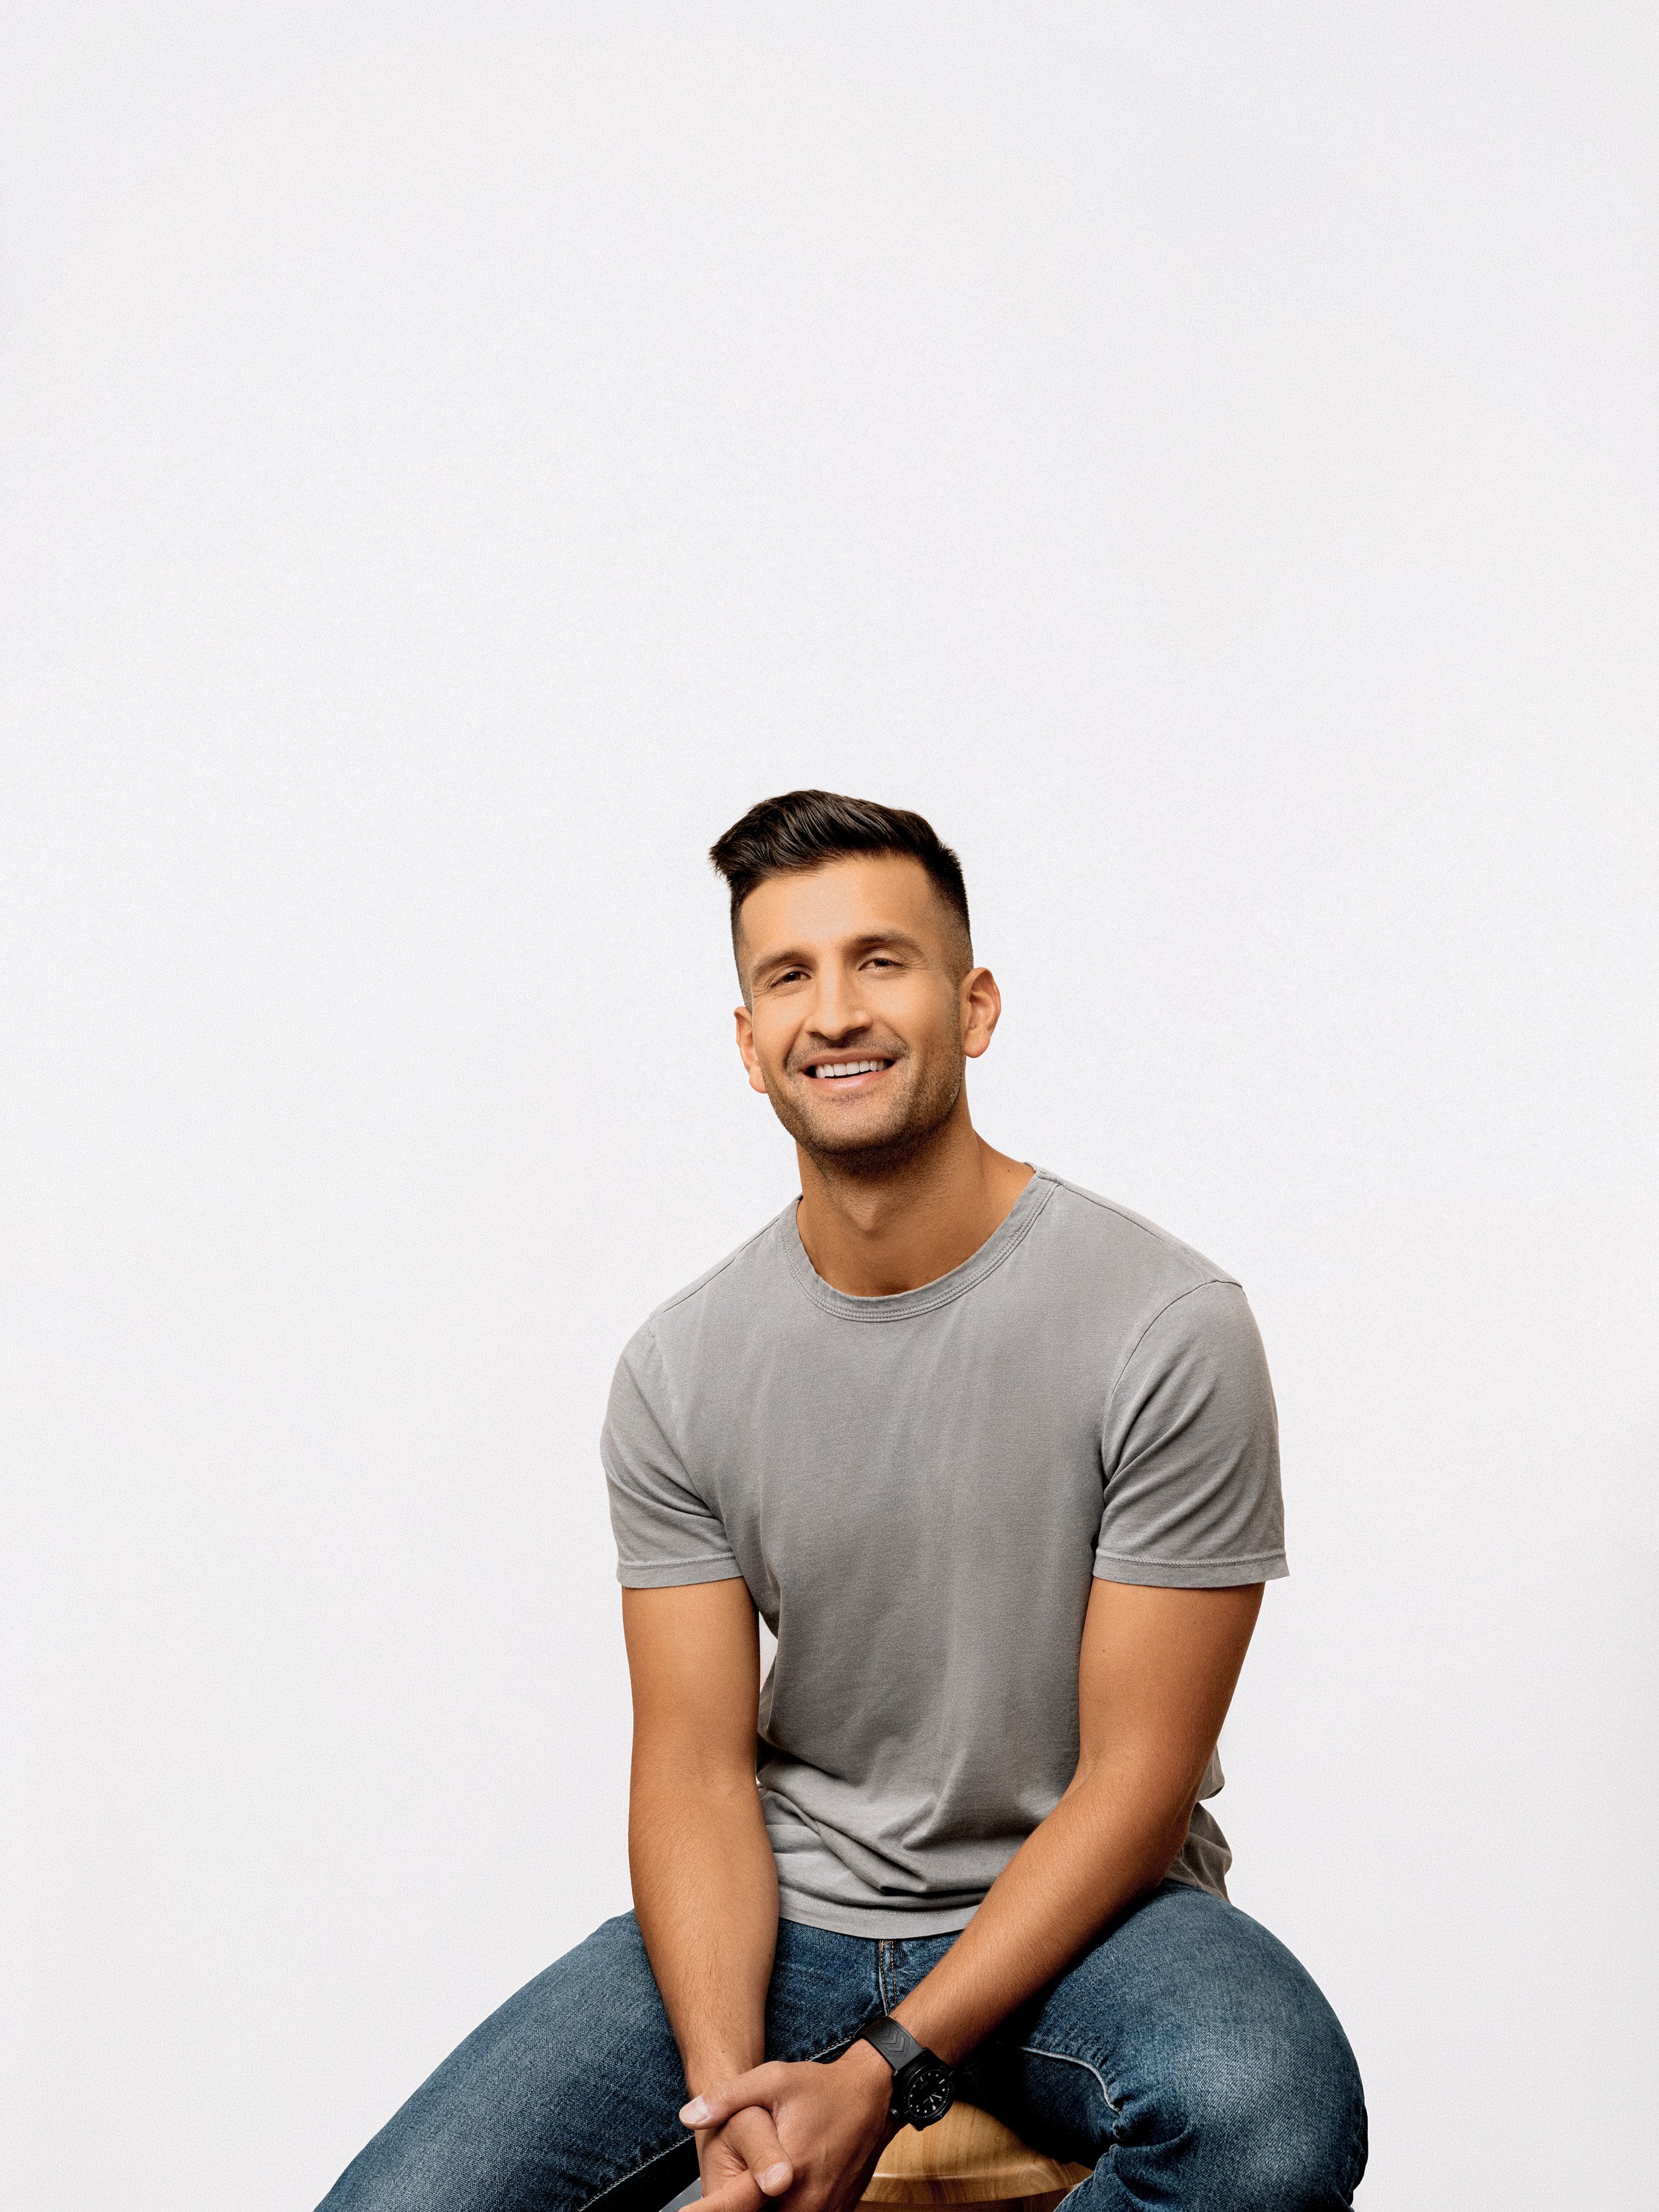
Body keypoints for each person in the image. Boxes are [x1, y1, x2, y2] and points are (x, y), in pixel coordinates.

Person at [319, 789, 1367, 2212]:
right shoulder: (683, 1367)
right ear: (747, 1046)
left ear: (972, 1003)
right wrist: (723, 2106)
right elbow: (691, 1766)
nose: (836, 1012)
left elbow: (1135, 1783)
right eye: (787, 976)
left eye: (881, 961)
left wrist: (881, 2074)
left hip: (1089, 1928)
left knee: (1267, 2107)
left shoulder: (1160, 1324)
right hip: (793, 1919)